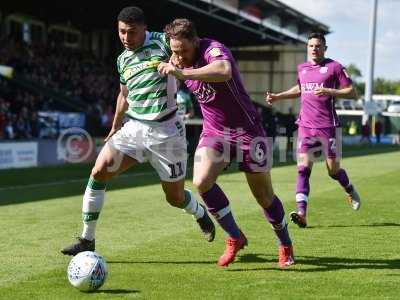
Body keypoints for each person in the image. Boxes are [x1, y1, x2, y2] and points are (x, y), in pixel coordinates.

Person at [61, 7, 215, 256]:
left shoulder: (163, 42)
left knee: (174, 198)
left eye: (131, 32)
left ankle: (199, 212)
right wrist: (115, 125)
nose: (125, 37)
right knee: (98, 172)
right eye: (121, 31)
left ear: (145, 28)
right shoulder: (123, 59)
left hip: (167, 133)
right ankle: (87, 239)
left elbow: (186, 49)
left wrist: (179, 63)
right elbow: (124, 94)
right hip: (135, 128)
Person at [158, 18, 294, 268]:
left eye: (183, 51)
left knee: (264, 197)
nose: (178, 57)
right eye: (174, 51)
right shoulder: (177, 58)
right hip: (215, 132)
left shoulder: (213, 50)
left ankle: (285, 244)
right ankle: (235, 237)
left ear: (195, 41)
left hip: (248, 132)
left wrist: (182, 72)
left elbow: (223, 71)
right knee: (201, 181)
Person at [266, 32, 361, 229]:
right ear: (307, 48)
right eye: (311, 46)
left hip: (328, 127)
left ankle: (349, 189)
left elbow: (352, 92)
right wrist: (278, 96)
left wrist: (330, 91)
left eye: (318, 45)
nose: (314, 49)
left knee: (333, 171)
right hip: (305, 126)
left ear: (324, 48)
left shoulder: (335, 67)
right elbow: (300, 89)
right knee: (302, 170)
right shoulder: (303, 68)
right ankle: (302, 213)